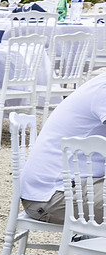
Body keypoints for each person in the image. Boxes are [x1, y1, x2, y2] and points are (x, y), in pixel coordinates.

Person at [18, 70, 106, 222]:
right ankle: (91, 243)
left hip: (69, 186)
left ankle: (91, 242)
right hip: (53, 195)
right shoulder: (103, 90)